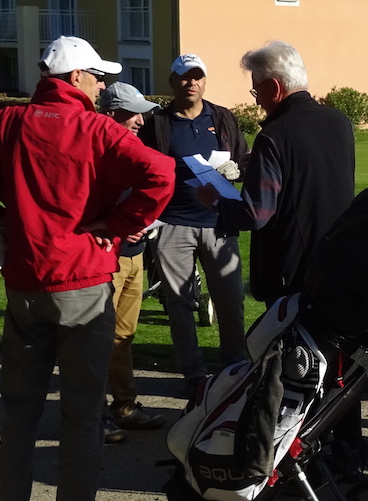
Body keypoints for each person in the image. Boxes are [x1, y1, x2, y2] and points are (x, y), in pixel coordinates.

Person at [0, 36, 175, 501]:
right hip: (81, 280)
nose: (103, 85)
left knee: (19, 413)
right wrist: (117, 224)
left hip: (25, 286)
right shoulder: (96, 128)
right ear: (77, 77)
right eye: (98, 76)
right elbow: (161, 175)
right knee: (81, 413)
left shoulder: (2, 124)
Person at [200, 40, 355, 306]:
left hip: (290, 273)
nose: (257, 100)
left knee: (288, 345)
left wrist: (215, 200)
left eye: (256, 90)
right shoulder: (339, 122)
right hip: (337, 260)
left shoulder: (274, 135)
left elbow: (255, 215)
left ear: (274, 87)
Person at [139, 54, 251, 406]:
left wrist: (236, 169)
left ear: (204, 80)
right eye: (183, 77)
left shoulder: (221, 118)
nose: (191, 83)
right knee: (179, 304)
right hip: (173, 223)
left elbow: (246, 159)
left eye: (197, 76)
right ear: (172, 83)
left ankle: (235, 367)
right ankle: (192, 374)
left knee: (230, 300)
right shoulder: (158, 123)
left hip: (219, 223)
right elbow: (141, 165)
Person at [98, 82, 166, 440]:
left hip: (135, 255)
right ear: (111, 114)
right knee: (95, 337)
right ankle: (93, 414)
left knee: (123, 335)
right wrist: (122, 225)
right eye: (133, 113)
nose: (141, 120)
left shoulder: (134, 147)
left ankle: (123, 405)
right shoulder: (95, 149)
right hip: (105, 257)